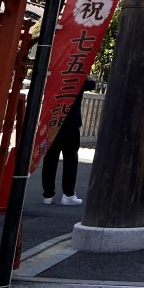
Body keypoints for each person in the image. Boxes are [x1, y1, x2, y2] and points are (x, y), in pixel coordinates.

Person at [42, 77, 95, 205]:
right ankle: (68, 194)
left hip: (53, 122)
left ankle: (48, 195)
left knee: (50, 159)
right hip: (71, 124)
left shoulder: (56, 77)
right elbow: (92, 83)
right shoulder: (79, 79)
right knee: (70, 158)